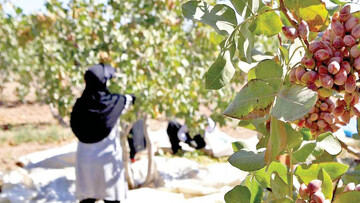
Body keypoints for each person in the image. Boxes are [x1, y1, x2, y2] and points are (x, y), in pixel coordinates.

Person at [70, 64, 135, 203]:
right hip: (108, 159)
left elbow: (73, 125)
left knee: (87, 198)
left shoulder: (80, 105)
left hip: (85, 158)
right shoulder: (115, 102)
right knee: (112, 198)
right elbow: (130, 99)